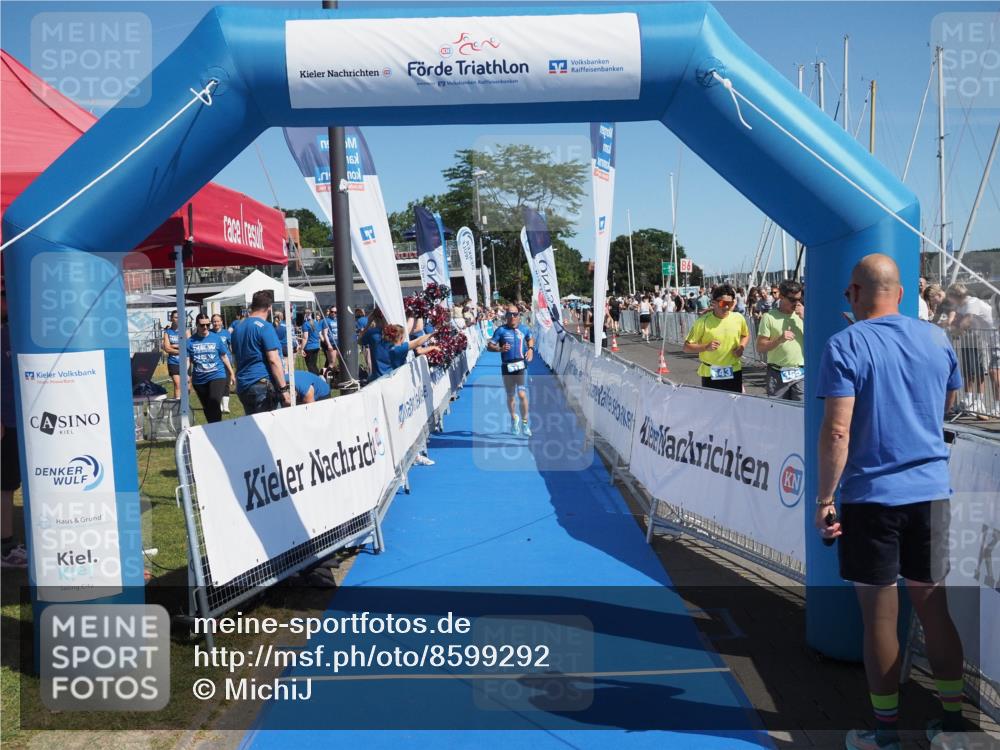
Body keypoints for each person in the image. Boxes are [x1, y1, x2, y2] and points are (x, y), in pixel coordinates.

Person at [816, 254, 966, 750]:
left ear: (855, 293)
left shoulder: (845, 345)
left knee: (880, 617)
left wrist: (824, 498)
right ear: (901, 293)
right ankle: (953, 725)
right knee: (934, 609)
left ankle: (885, 735)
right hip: (931, 492)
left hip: (871, 499)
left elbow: (838, 430)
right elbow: (944, 406)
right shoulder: (937, 338)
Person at [230, 290, 291, 415]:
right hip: (262, 384)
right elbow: (274, 359)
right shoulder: (265, 327)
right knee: (269, 429)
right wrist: (284, 389)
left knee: (253, 427)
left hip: (243, 385)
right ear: (269, 308)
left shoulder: (238, 327)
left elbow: (235, 357)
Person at [683, 283, 749, 393]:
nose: (727, 307)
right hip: (711, 372)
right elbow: (686, 347)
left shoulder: (738, 318)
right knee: (713, 408)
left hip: (734, 370)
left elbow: (745, 335)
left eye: (730, 303)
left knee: (734, 408)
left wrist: (742, 347)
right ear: (714, 303)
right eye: (723, 303)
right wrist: (705, 347)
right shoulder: (702, 322)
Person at [1, 291, 27, 569]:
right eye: (4, 294)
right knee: (5, 486)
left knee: (12, 484)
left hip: (24, 422)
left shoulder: (16, 331)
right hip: (5, 422)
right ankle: (5, 547)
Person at [946, 283, 995, 415]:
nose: (949, 300)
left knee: (980, 371)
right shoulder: (960, 305)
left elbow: (964, 323)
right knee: (968, 370)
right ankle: (968, 400)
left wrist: (951, 330)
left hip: (985, 339)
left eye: (950, 297)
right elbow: (955, 318)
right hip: (971, 339)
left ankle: (979, 402)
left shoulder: (972, 303)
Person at [487, 305, 534, 437]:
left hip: (520, 366)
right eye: (509, 314)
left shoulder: (524, 329)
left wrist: (530, 349)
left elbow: (530, 338)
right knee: (510, 396)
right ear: (506, 316)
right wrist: (499, 349)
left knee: (522, 395)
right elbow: (490, 346)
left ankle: (525, 422)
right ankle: (514, 419)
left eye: (515, 314)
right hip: (507, 366)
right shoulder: (500, 330)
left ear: (519, 315)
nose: (512, 317)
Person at [756, 279, 805, 401]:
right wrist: (779, 340)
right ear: (781, 297)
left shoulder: (804, 315)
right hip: (777, 373)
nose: (796, 303)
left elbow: (818, 341)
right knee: (777, 413)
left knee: (801, 414)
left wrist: (806, 317)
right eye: (792, 300)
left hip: (801, 373)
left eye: (799, 299)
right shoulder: (769, 317)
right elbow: (760, 347)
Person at [188, 314, 236, 423]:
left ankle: (217, 431)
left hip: (217, 375)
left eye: (207, 324)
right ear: (197, 325)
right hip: (199, 379)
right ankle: (213, 428)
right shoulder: (190, 341)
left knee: (213, 403)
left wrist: (232, 373)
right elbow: (188, 360)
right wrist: (187, 376)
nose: (205, 327)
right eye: (202, 325)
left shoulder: (216, 338)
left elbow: (224, 356)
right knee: (207, 408)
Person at [210, 314, 233, 413]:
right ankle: (217, 405)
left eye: (218, 321)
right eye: (214, 321)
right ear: (212, 323)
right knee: (215, 384)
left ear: (221, 322)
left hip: (226, 362)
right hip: (214, 363)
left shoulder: (226, 333)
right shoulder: (209, 333)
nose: (216, 323)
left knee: (226, 383)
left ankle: (226, 406)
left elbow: (231, 347)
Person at [162, 310, 186, 398]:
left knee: (187, 384)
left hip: (185, 361)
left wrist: (174, 345)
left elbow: (188, 346)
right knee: (177, 384)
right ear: (171, 319)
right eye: (176, 317)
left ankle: (183, 403)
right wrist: (181, 349)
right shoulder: (167, 332)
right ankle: (177, 404)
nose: (178, 319)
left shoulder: (185, 331)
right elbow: (167, 348)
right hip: (173, 361)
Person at [299, 311, 323, 375]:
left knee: (310, 366)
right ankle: (318, 378)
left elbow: (305, 338)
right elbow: (320, 335)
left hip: (309, 347)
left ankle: (316, 380)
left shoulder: (305, 324)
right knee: (314, 365)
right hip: (316, 346)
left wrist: (301, 349)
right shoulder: (316, 323)